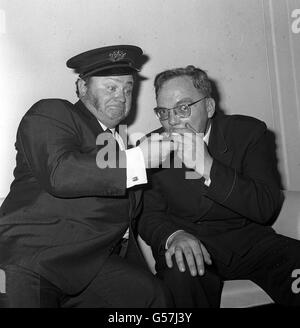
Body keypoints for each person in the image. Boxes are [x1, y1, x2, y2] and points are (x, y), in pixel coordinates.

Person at [0, 45, 175, 308]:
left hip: (89, 264)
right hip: (36, 259)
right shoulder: (53, 113)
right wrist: (138, 159)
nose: (122, 96)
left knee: (152, 297)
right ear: (82, 87)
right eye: (111, 87)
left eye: (128, 89)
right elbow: (61, 173)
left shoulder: (117, 144)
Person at [138, 65, 300, 307]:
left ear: (209, 106)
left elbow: (266, 206)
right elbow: (147, 215)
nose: (171, 121)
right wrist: (173, 236)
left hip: (250, 244)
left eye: (183, 108)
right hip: (191, 246)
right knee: (180, 273)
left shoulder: (248, 132)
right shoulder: (150, 146)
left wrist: (208, 166)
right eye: (163, 112)